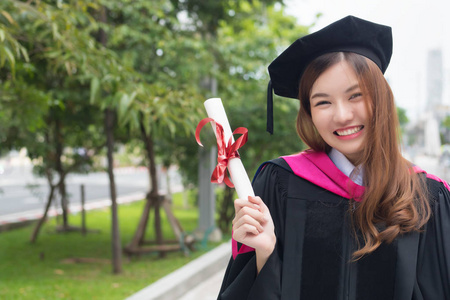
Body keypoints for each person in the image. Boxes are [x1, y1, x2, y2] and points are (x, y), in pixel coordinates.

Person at [217, 16, 450, 300]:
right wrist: (265, 252)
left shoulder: (429, 196)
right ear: (309, 113)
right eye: (323, 102)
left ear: (382, 99)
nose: (341, 116)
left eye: (356, 96)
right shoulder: (280, 183)